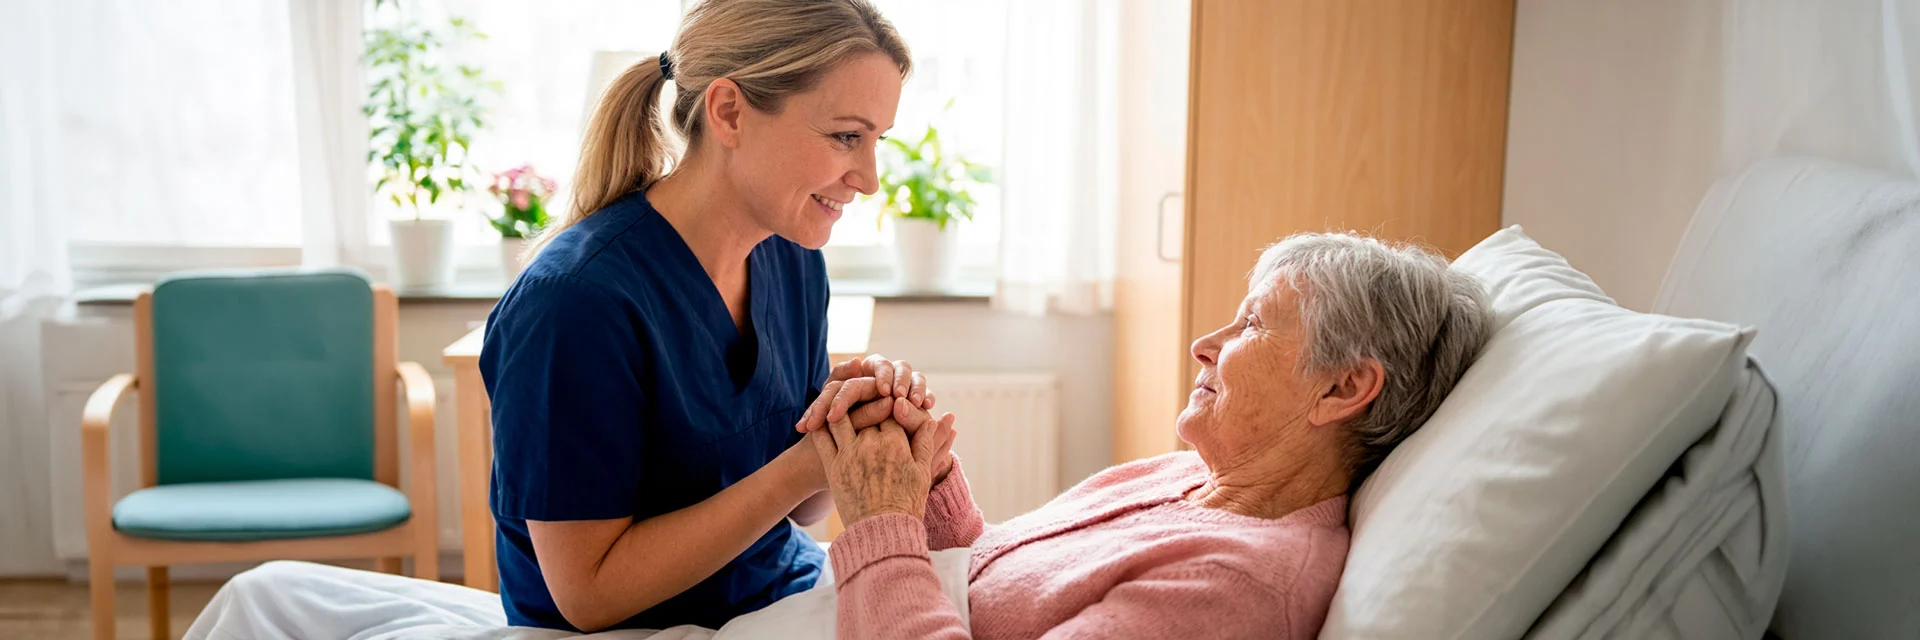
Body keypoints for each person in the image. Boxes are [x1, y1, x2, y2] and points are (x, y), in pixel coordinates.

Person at [479, 0, 929, 632]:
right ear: (729, 112)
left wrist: (845, 427)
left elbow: (805, 514)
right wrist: (801, 466)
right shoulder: (576, 303)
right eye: (846, 136)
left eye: (877, 140)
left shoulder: (792, 258)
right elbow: (587, 595)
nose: (870, 178)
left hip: (778, 595)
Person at [796, 232, 1494, 638]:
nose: (1204, 343)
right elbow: (999, 586)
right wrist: (925, 484)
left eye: (1251, 325)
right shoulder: (1188, 478)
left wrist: (881, 523)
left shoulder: (1237, 583)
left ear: (1342, 389)